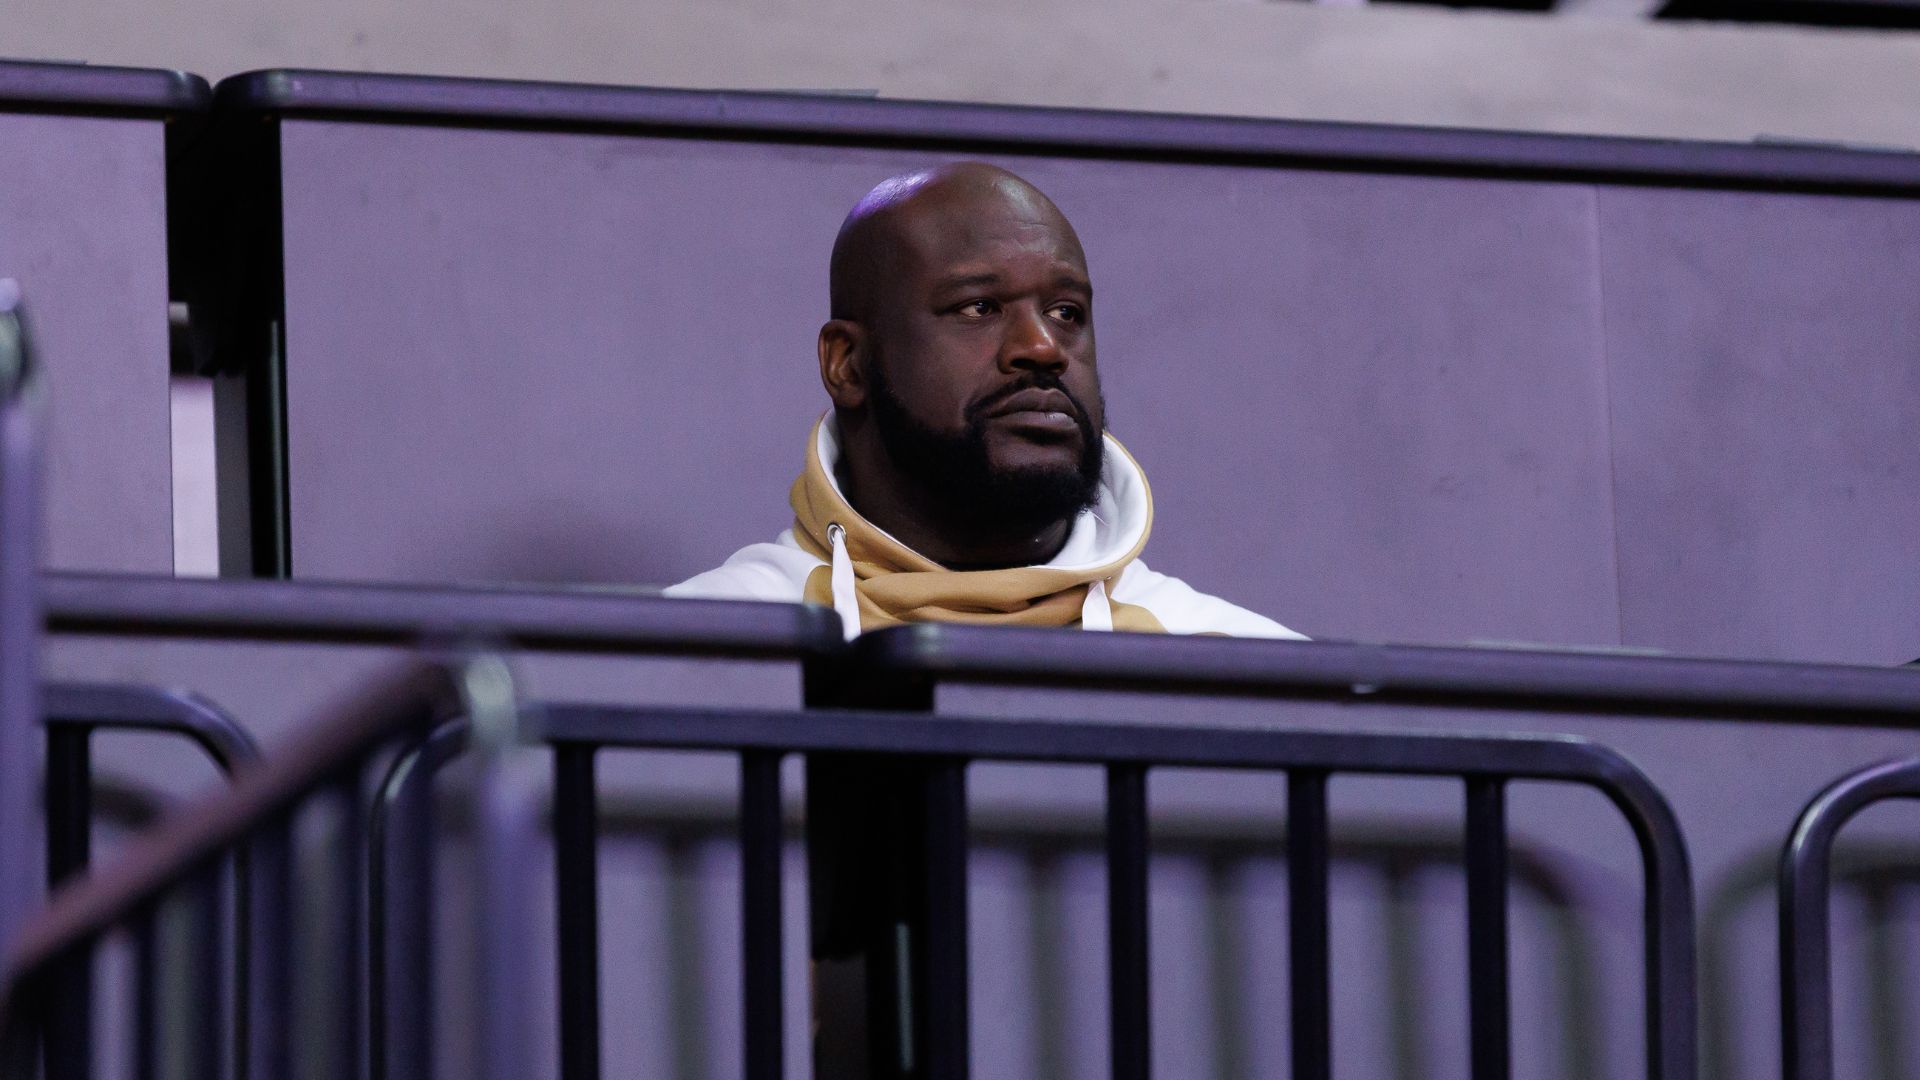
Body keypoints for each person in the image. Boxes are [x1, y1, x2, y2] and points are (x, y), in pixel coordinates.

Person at [667, 162, 1302, 641]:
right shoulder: (699, 652)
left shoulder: (1244, 668)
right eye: (979, 307)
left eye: (1066, 312)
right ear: (848, 364)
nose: (1043, 347)